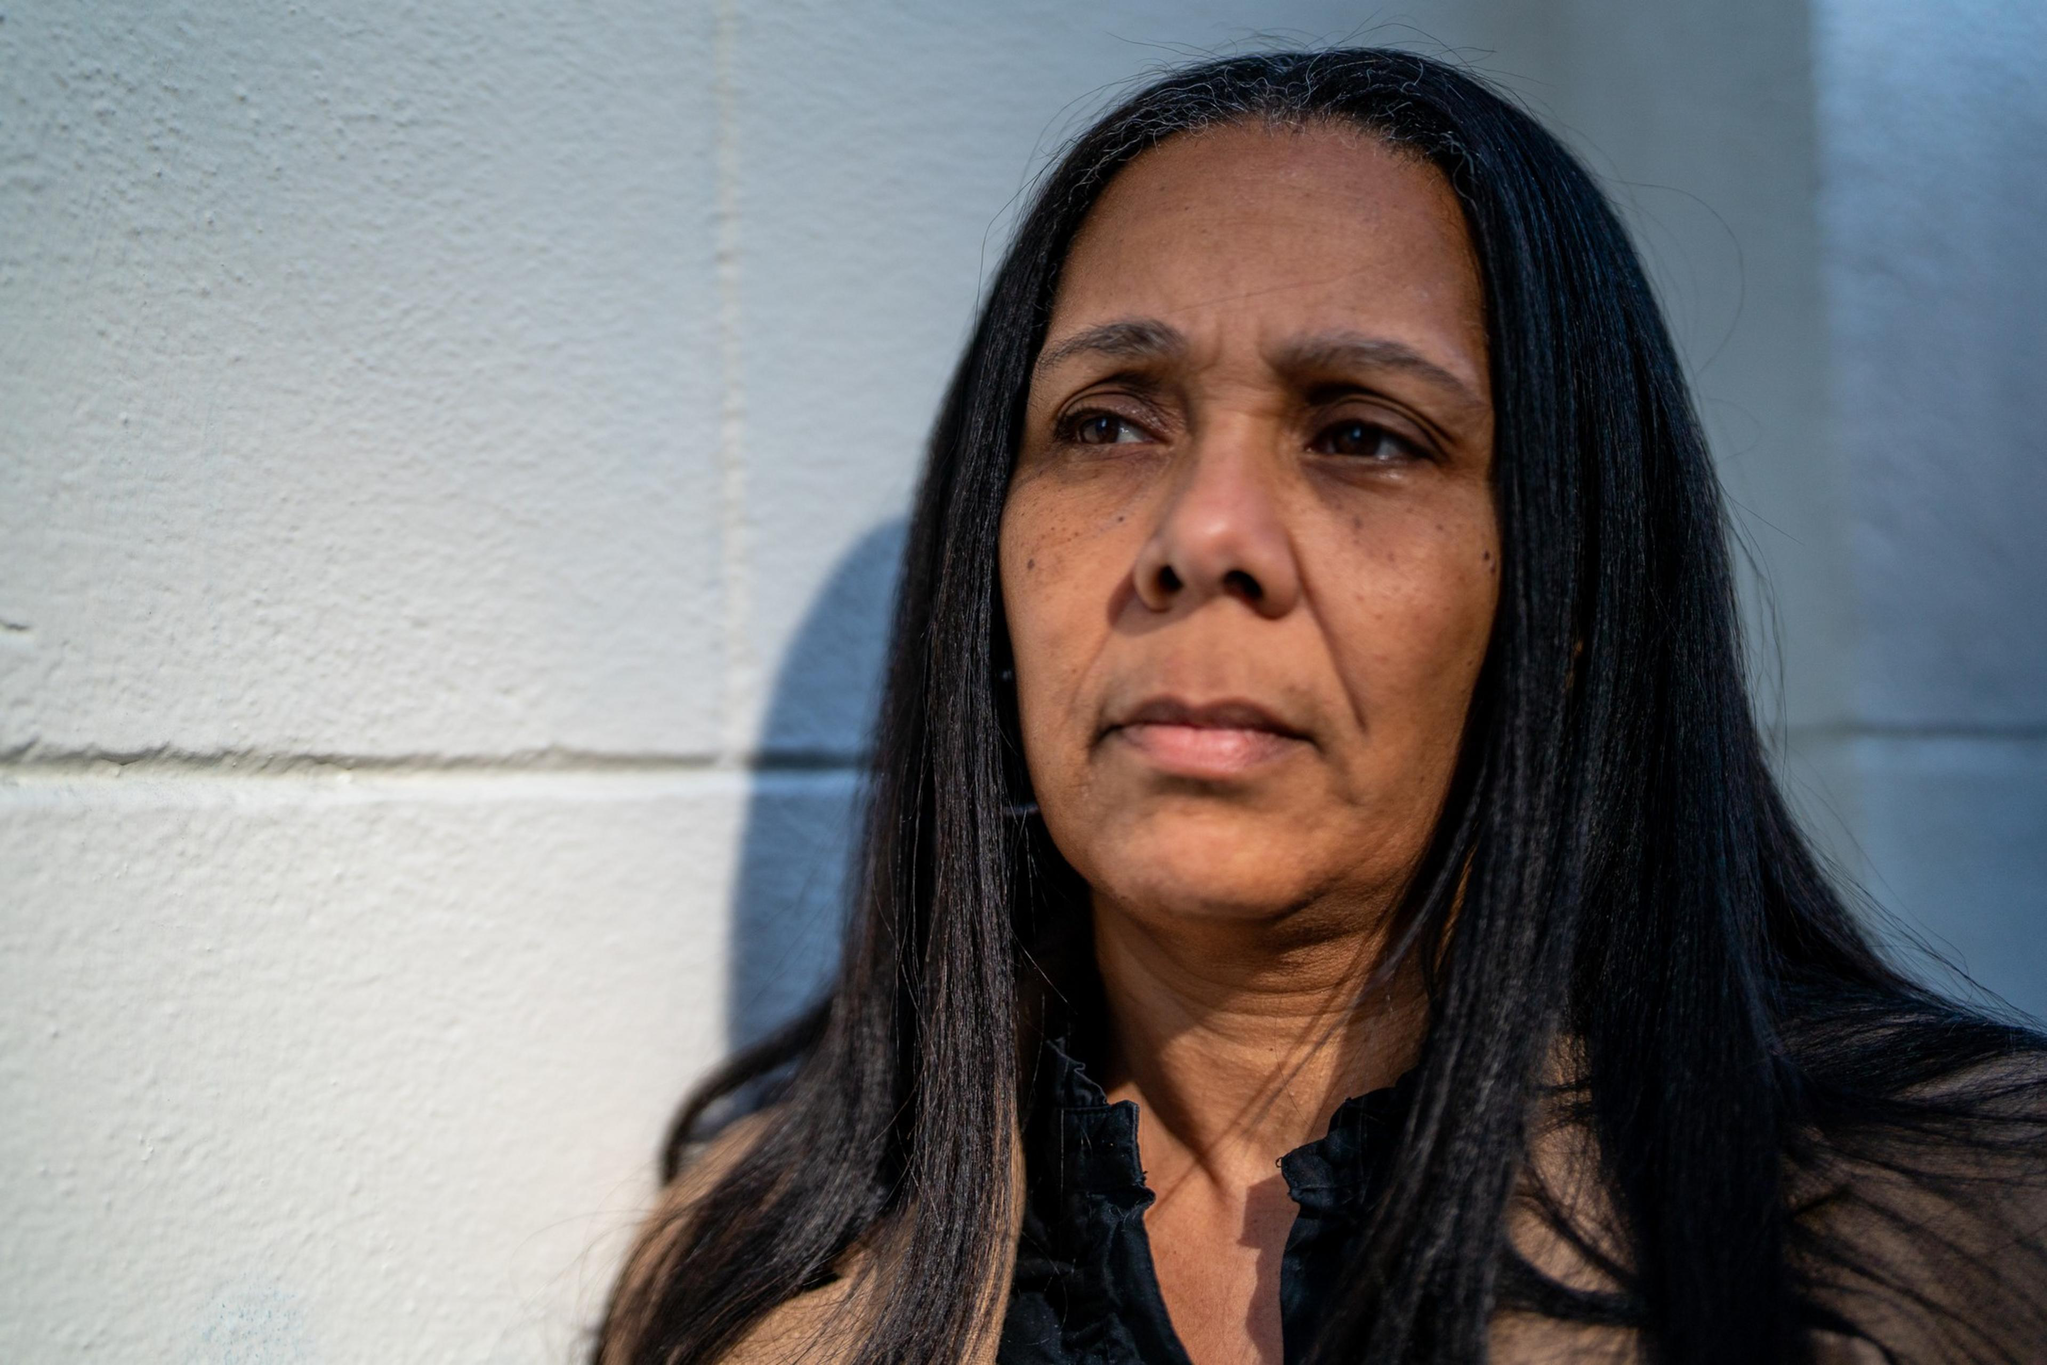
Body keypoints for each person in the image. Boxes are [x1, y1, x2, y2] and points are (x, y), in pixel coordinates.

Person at [595, 49, 2047, 1365]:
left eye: (1364, 434)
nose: (1203, 536)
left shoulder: (1959, 1230)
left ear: (1571, 597)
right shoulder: (744, 1287)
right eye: (1108, 422)